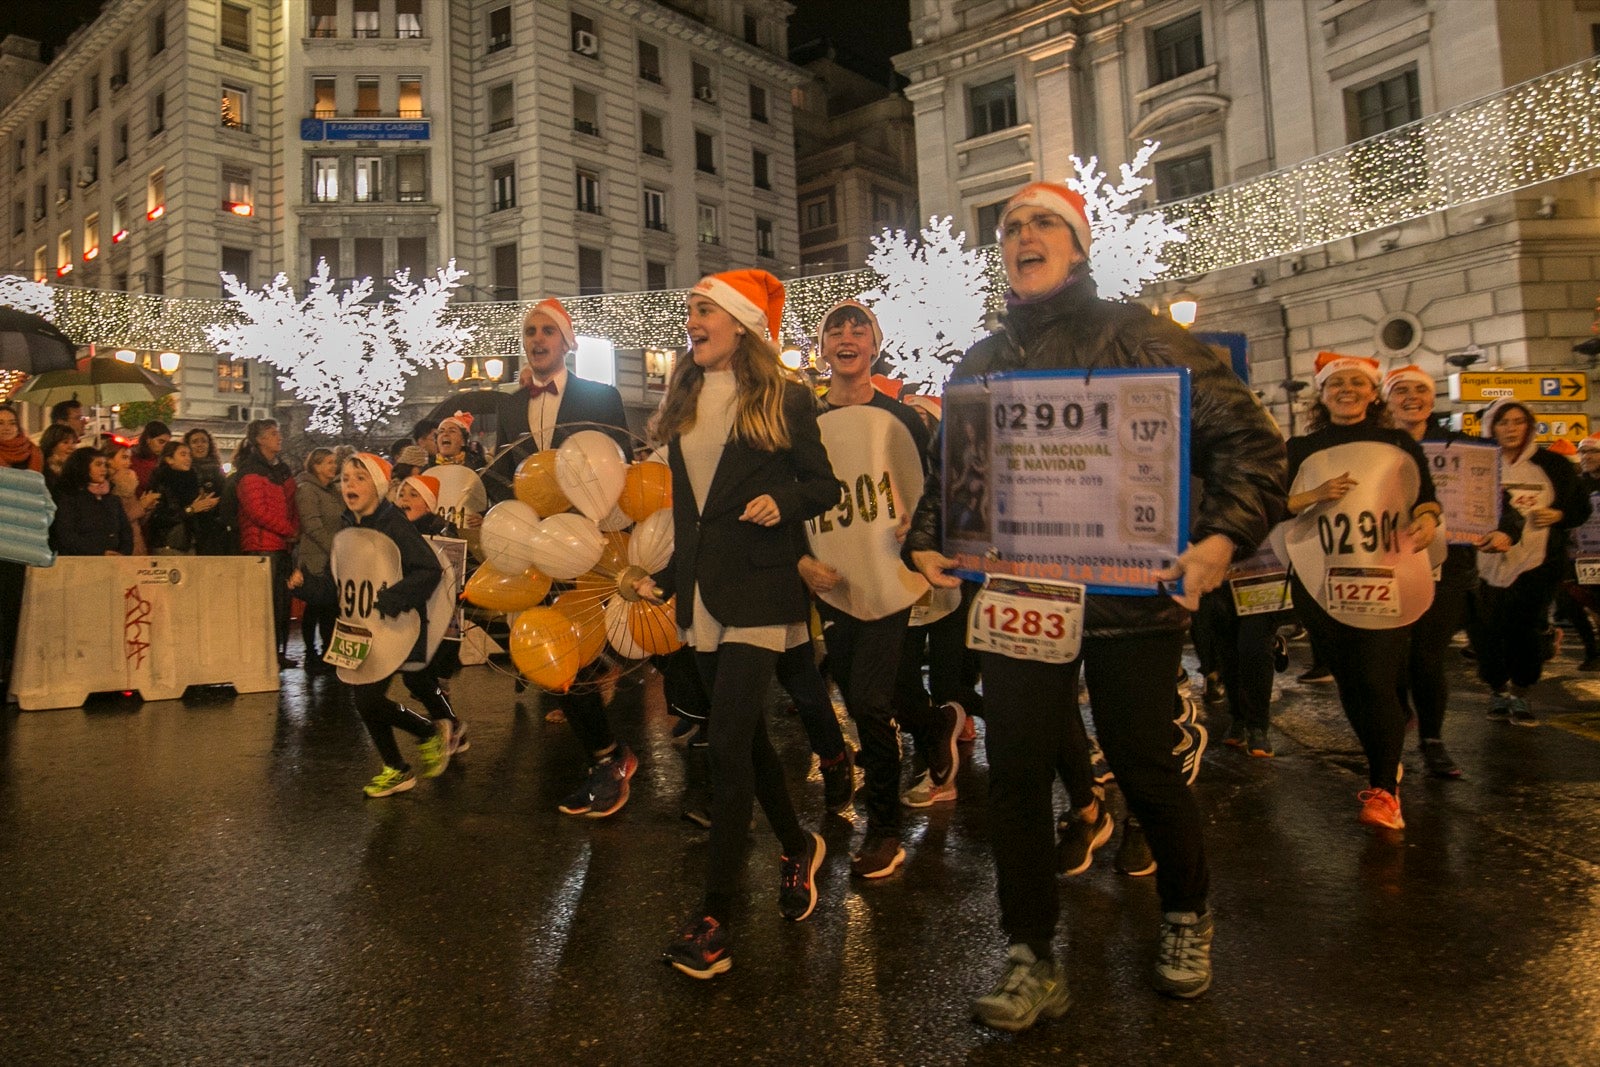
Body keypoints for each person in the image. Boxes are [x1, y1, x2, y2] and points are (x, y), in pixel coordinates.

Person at [906, 182, 1287, 1028]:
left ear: (1078, 246)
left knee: (1143, 761)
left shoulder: (1144, 335)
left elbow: (1253, 446)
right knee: (1015, 777)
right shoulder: (980, 361)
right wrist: (929, 539)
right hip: (1020, 594)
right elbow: (948, 478)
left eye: (1043, 223)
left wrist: (1221, 540)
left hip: (1130, 601)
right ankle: (1029, 953)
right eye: (1009, 227)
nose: (1022, 235)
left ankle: (1188, 913)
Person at [645, 270, 840, 980]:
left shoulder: (785, 396)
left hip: (762, 586)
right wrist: (665, 579)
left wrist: (781, 501)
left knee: (725, 743)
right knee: (747, 740)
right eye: (690, 309)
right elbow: (690, 506)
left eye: (703, 309)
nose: (691, 319)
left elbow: (825, 485)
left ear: (739, 323)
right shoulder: (687, 393)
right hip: (700, 590)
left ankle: (717, 913)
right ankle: (798, 844)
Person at [797, 299, 963, 879]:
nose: (847, 336)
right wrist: (800, 561)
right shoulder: (803, 421)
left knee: (868, 699)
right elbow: (791, 499)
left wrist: (917, 528)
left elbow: (937, 489)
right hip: (834, 581)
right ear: (822, 348)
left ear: (874, 345)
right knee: (879, 687)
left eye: (858, 328)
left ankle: (885, 827)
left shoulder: (906, 417)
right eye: (834, 329)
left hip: (893, 574)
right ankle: (932, 723)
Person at [494, 297, 640, 819]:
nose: (537, 340)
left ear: (567, 342)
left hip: (597, 546)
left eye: (547, 332)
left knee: (630, 649)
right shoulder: (510, 406)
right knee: (564, 658)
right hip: (543, 549)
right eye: (530, 331)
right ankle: (607, 759)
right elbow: (506, 478)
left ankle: (708, 758)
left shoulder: (601, 396)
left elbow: (623, 468)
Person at [1285, 353, 1440, 830]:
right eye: (1337, 383)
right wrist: (1315, 495)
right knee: (1352, 680)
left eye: (1357, 382)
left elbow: (1426, 495)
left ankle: (1384, 791)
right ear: (1323, 393)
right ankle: (1383, 756)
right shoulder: (1300, 447)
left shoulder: (1397, 442)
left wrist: (1429, 519)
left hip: (1385, 575)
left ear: (1373, 393)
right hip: (1321, 578)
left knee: (1375, 677)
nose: (1347, 389)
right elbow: (1276, 504)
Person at [1383, 366, 1518, 776]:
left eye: (1419, 391)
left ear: (1431, 398)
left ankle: (1432, 742)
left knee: (1427, 654)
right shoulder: (1374, 445)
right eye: (1400, 391)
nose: (1411, 398)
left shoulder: (1465, 448)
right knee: (1392, 656)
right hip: (1384, 562)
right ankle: (1398, 709)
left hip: (1449, 565)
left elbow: (1500, 505)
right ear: (1386, 400)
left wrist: (1504, 531)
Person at [293, 454, 452, 797]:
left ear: (378, 487)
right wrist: (303, 585)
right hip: (358, 629)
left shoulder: (394, 523)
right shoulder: (347, 525)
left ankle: (421, 740)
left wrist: (394, 599)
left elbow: (428, 570)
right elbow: (338, 588)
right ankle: (400, 764)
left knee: (367, 699)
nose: (349, 484)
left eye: (360, 478)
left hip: (394, 626)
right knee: (364, 699)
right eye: (346, 478)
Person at [1468, 399, 1592, 725]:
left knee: (1523, 628)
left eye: (1518, 422)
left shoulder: (1553, 465)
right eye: (1503, 422)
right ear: (1491, 426)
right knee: (1486, 631)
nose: (1511, 429)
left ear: (1529, 426)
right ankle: (1497, 688)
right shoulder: (1477, 463)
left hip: (1537, 562)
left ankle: (1521, 692)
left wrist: (1559, 514)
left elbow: (1580, 508)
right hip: (1483, 563)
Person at [235, 419, 301, 669]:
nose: (279, 437)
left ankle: (278, 651)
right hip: (263, 545)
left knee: (282, 604)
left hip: (281, 544)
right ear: (260, 439)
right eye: (273, 434)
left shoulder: (281, 470)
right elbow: (257, 511)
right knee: (267, 603)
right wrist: (288, 529)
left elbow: (292, 501)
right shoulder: (251, 471)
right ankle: (266, 653)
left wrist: (293, 529)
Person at [294, 447, 343, 672]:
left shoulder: (333, 490)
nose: (333, 466)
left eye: (334, 462)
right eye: (328, 463)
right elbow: (312, 525)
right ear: (315, 465)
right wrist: (335, 547)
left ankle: (327, 651)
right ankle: (311, 653)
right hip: (316, 556)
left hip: (331, 556)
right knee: (315, 605)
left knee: (329, 607)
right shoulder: (307, 490)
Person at [49, 446, 133, 556]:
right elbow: (66, 535)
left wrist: (123, 553)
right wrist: (99, 552)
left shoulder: (113, 500)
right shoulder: (69, 498)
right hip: (83, 563)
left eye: (105, 465)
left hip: (115, 563)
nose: (103, 469)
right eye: (98, 464)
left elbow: (126, 531)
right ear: (83, 466)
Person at [146, 441, 221, 554]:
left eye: (189, 455)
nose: (188, 458)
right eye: (183, 454)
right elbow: (159, 517)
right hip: (168, 544)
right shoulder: (160, 482)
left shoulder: (193, 481)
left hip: (191, 544)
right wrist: (190, 509)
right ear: (169, 459)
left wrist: (206, 505)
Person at [104, 440, 159, 555]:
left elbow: (137, 519)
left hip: (135, 540)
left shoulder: (129, 482)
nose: (128, 463)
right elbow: (117, 520)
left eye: (129, 458)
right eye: (124, 457)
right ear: (109, 460)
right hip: (119, 546)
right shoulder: (107, 486)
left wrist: (147, 508)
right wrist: (142, 506)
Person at [181, 428, 229, 554]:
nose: (200, 445)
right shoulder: (183, 471)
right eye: (195, 441)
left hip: (214, 529)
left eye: (204, 441)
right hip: (191, 529)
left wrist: (216, 501)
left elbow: (227, 494)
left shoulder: (217, 470)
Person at [130, 421, 172, 493]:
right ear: (148, 439)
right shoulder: (132, 459)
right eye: (161, 442)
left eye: (167, 443)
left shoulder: (165, 462)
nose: (164, 446)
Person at [39, 424, 78, 489]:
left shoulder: (76, 471)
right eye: (65, 442)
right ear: (52, 445)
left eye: (74, 443)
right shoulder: (40, 470)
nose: (72, 447)